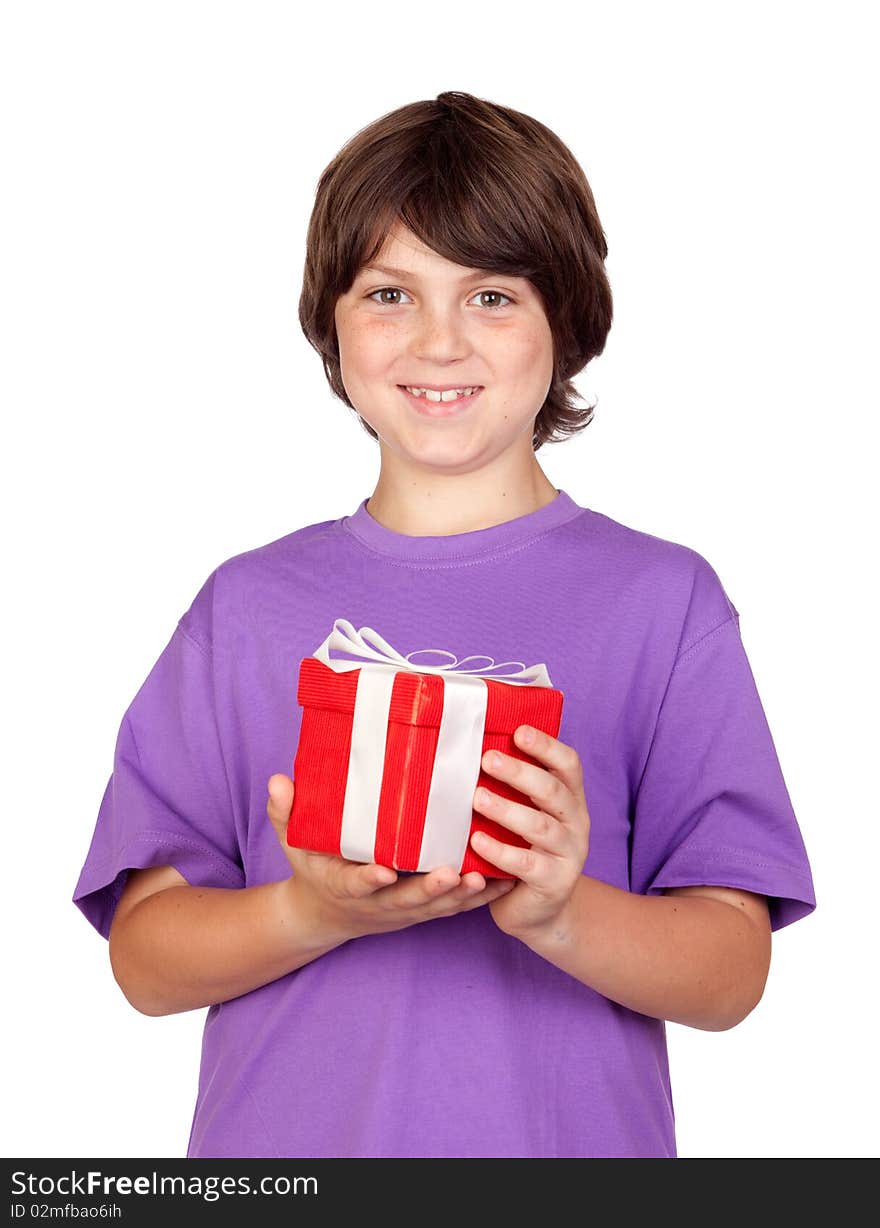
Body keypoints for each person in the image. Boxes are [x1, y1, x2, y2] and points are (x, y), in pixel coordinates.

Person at [72, 90, 816, 1159]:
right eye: (389, 292)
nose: (437, 340)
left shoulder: (662, 604)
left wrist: (561, 909)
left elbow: (732, 974)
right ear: (330, 321)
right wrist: (311, 912)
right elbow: (143, 961)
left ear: (567, 319)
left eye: (492, 296)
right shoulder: (243, 609)